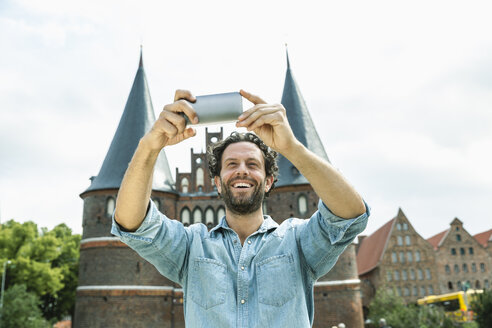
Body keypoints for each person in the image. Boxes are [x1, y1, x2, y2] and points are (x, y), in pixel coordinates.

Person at [112, 89, 370, 327]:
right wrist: (150, 146)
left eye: (253, 164)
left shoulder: (297, 242)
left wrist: (291, 147)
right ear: (217, 183)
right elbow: (133, 223)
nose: (242, 170)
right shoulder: (192, 247)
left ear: (269, 182)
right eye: (232, 164)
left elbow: (349, 215)